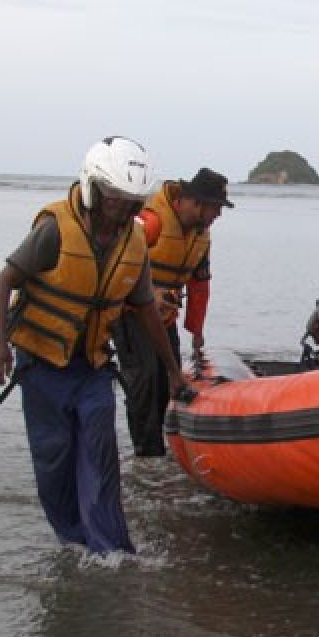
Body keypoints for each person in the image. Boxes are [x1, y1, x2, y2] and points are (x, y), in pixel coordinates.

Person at [0, 136, 192, 555]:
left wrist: (172, 370)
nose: (124, 211)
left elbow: (146, 308)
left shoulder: (134, 243)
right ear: (95, 188)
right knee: (55, 459)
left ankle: (111, 553)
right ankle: (73, 543)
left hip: (92, 368)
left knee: (101, 458)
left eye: (133, 203)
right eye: (116, 200)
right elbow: (3, 283)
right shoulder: (55, 229)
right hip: (42, 367)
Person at [112, 167, 233, 457]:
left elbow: (200, 283)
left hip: (162, 318)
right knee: (144, 379)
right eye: (216, 208)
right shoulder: (151, 222)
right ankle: (146, 455)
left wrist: (196, 330)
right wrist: (148, 293)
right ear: (195, 203)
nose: (218, 215)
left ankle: (160, 450)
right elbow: (116, 256)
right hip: (129, 313)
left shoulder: (200, 237)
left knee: (169, 379)